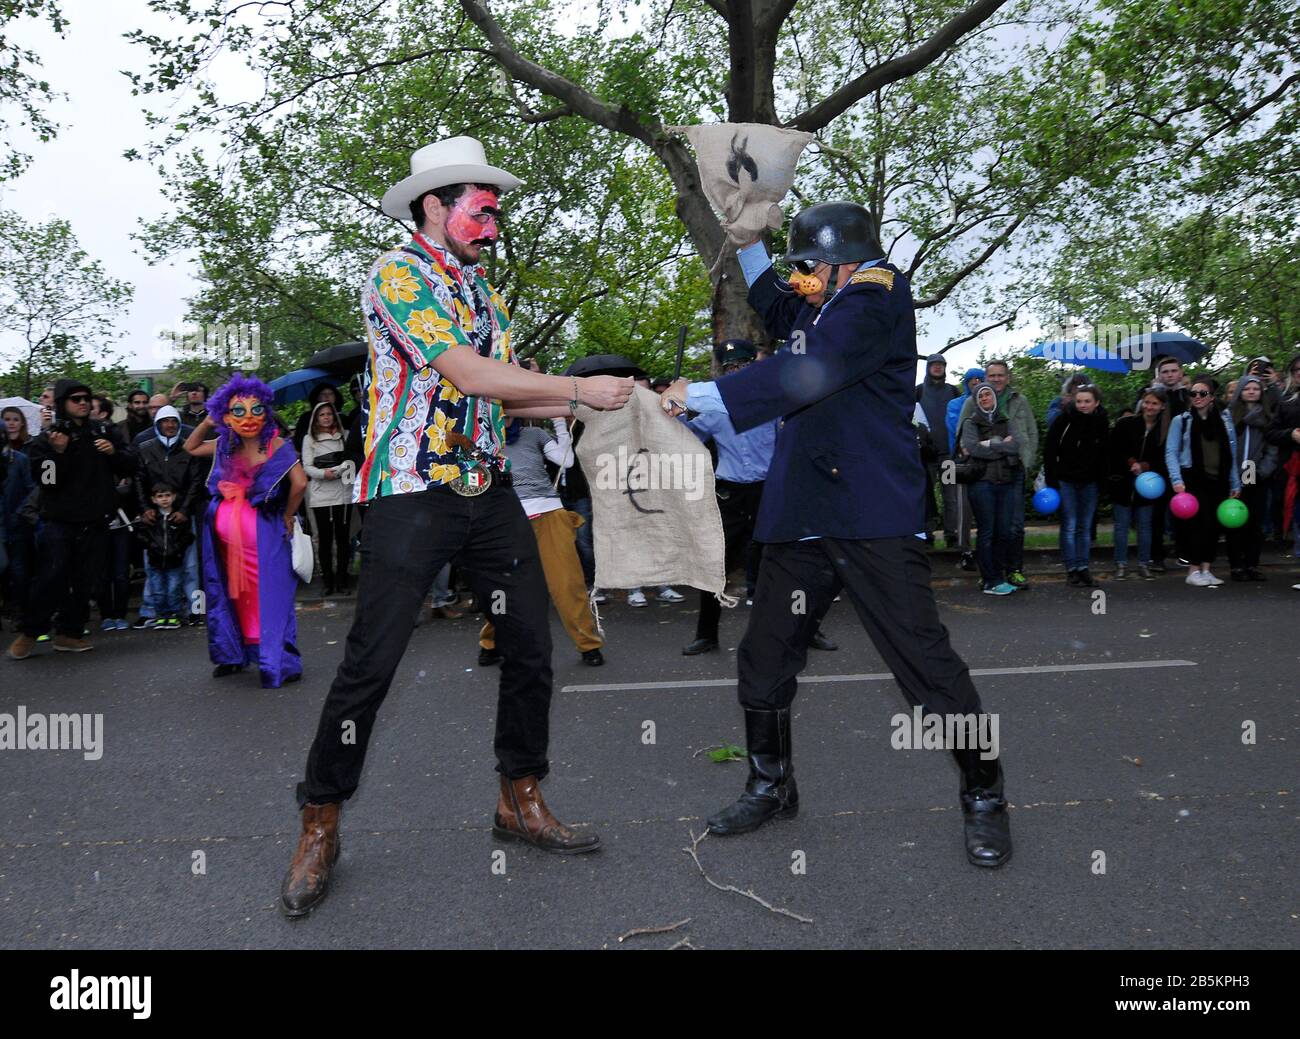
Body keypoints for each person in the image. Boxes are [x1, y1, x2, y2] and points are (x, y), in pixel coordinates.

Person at [279, 136, 634, 919]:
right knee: (370, 665)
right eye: (482, 208)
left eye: (496, 212)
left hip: (488, 490)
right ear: (434, 206)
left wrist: (622, 399)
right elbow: (466, 373)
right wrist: (578, 384)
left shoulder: (485, 296)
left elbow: (502, 399)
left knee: (532, 648)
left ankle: (520, 796)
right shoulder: (398, 273)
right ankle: (320, 821)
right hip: (413, 494)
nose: (494, 224)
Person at [663, 200, 1010, 868]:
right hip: (803, 514)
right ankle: (771, 783)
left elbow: (807, 368)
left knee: (924, 664)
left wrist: (698, 395)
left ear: (842, 260)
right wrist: (747, 240)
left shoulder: (874, 298)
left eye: (808, 266)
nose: (802, 279)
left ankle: (986, 793)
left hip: (869, 515)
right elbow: (778, 306)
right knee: (764, 655)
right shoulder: (829, 302)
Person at [184, 374, 307, 684]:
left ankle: (235, 656)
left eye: (255, 410)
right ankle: (270, 661)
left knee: (231, 594)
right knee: (265, 595)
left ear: (265, 411)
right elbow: (300, 484)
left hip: (237, 530)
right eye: (238, 411)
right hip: (253, 532)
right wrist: (289, 514)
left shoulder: (253, 443)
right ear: (226, 415)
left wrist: (208, 423)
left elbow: (190, 446)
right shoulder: (232, 444)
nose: (248, 417)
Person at [7, 379, 135, 659]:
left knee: (85, 580)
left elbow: (132, 464)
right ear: (63, 403)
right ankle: (30, 632)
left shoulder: (103, 432)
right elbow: (47, 480)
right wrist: (58, 453)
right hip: (59, 521)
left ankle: (69, 633)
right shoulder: (49, 438)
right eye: (75, 398)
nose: (82, 402)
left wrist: (114, 454)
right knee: (50, 577)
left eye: (86, 398)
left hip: (96, 520)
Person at [478, 416, 605, 666]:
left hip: (549, 515)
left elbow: (566, 461)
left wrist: (559, 421)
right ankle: (491, 642)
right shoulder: (481, 437)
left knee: (568, 584)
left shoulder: (534, 433)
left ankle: (588, 645)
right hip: (505, 520)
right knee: (501, 589)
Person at [954, 360, 1037, 588]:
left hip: (1013, 471)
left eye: (1001, 375)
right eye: (992, 375)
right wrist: (999, 444)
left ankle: (1014, 570)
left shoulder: (1019, 401)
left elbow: (1028, 434)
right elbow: (965, 442)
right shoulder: (973, 402)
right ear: (985, 378)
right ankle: (991, 574)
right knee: (991, 528)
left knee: (1015, 526)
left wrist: (1025, 461)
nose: (997, 379)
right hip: (984, 476)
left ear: (1007, 377)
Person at [1166, 375, 1240, 586]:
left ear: (1212, 397)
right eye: (1193, 393)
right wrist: (1176, 479)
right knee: (1200, 524)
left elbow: (1231, 453)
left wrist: (1235, 482)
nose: (1197, 397)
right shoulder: (1181, 421)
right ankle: (1193, 570)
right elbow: (1171, 452)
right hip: (1193, 478)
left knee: (1215, 526)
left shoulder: (1224, 420)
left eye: (1203, 393)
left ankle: (1207, 569)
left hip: (1219, 479)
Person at [134, 405, 204, 627]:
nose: (170, 425)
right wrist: (145, 507)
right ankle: (150, 610)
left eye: (174, 421)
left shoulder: (188, 448)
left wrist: (184, 509)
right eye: (165, 421)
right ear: (157, 424)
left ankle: (195, 609)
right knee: (152, 565)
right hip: (154, 518)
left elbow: (196, 481)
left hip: (181, 517)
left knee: (190, 565)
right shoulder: (145, 448)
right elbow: (138, 480)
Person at [1044, 383, 1109, 586]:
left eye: (1087, 401)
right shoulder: (1063, 420)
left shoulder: (1102, 422)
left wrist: (1104, 480)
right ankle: (1071, 568)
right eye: (1079, 401)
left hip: (1090, 482)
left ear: (1096, 403)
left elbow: (1106, 454)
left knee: (1085, 526)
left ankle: (1083, 567)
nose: (1082, 405)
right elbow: (1050, 449)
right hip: (1066, 481)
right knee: (1070, 525)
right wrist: (1052, 479)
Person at [961, 383, 1022, 595]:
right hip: (981, 483)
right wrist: (1001, 445)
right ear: (976, 401)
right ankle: (989, 581)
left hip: (1005, 482)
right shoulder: (971, 422)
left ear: (994, 398)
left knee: (1004, 532)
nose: (985, 398)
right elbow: (973, 449)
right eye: (981, 396)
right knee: (987, 532)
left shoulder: (1006, 421)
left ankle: (998, 576)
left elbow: (1015, 446)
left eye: (988, 394)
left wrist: (990, 443)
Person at [1108, 386, 1167, 580]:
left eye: (1154, 403)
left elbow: (1165, 456)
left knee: (1145, 525)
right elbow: (1114, 449)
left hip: (1149, 485)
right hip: (1123, 482)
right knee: (1121, 525)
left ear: (1162, 406)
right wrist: (1131, 462)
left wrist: (1146, 465)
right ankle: (1121, 564)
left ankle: (1144, 563)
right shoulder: (1126, 424)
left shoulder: (1164, 430)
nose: (1149, 407)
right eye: (1147, 402)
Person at [300, 399, 355, 595]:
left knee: (342, 538)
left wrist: (338, 470)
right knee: (324, 538)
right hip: (320, 494)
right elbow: (307, 466)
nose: (326, 418)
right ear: (316, 418)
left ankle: (342, 580)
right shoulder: (309, 439)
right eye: (322, 414)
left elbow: (351, 460)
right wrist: (324, 474)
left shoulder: (345, 436)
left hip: (343, 493)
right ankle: (327, 582)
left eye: (329, 414)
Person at [1227, 374, 1277, 580]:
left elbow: (1272, 449)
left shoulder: (1267, 417)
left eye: (1255, 389)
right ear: (1240, 391)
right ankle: (1236, 566)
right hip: (1234, 473)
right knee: (1235, 520)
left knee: (1254, 522)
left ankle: (1251, 565)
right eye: (1247, 388)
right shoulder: (1229, 415)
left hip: (1254, 472)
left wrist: (1262, 471)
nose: (1251, 392)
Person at [134, 481, 194, 629]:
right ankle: (162, 615)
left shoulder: (179, 518)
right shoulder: (151, 518)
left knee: (174, 590)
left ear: (174, 497)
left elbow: (188, 536)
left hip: (174, 561)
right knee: (158, 591)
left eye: (167, 495)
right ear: (154, 499)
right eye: (160, 496)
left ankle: (174, 615)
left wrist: (177, 548)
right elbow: (141, 536)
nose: (164, 499)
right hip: (155, 561)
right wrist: (152, 546)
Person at [915, 353, 959, 546]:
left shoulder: (953, 391)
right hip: (925, 456)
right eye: (934, 364)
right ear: (928, 367)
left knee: (951, 496)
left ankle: (951, 534)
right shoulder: (917, 391)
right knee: (926, 497)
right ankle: (927, 533)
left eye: (941, 364)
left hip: (948, 455)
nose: (937, 367)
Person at [946, 366, 983, 572]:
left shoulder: (988, 401)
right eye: (972, 379)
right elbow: (955, 427)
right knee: (961, 506)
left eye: (979, 378)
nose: (976, 382)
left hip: (984, 459)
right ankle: (964, 550)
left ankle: (982, 548)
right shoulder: (955, 404)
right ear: (966, 382)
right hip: (960, 459)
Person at [1265, 354, 1300, 558]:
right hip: (1294, 471)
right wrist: (1291, 434)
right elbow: (1271, 432)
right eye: (1296, 370)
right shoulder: (1287, 402)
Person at [1, 440, 34, 629]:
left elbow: (33, 487)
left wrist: (21, 513)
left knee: (19, 570)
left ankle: (21, 612)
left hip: (17, 524)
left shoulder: (20, 459)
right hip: (3, 525)